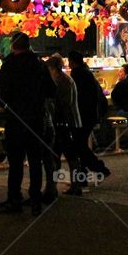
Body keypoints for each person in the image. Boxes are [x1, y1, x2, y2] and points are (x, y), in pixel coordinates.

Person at [0, 33, 54, 216]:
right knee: (35, 162)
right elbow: (52, 90)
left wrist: (1, 102)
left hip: (15, 121)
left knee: (16, 163)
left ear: (13, 46)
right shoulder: (40, 65)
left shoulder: (9, 65)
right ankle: (35, 200)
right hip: (36, 120)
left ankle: (14, 199)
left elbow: (2, 97)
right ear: (29, 45)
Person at [68, 51, 111, 179]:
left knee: (79, 145)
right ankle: (85, 173)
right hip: (91, 114)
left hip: (82, 115)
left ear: (72, 61)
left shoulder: (77, 74)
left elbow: (77, 97)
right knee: (80, 145)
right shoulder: (87, 73)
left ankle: (98, 168)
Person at [45, 54, 83, 197]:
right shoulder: (67, 79)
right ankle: (75, 185)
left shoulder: (60, 81)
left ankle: (53, 188)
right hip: (70, 122)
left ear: (53, 68)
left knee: (59, 156)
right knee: (71, 156)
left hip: (64, 123)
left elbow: (61, 105)